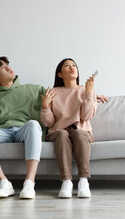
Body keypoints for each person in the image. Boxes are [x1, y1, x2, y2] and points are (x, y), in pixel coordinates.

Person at [0, 56, 46, 199]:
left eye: (7, 64)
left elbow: (61, 95)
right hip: (2, 131)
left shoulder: (33, 89)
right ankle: (4, 182)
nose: (7, 67)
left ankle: (29, 183)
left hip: (24, 130)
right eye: (2, 67)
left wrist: (87, 96)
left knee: (33, 123)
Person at [40, 58, 98, 198]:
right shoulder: (54, 92)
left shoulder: (86, 90)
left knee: (79, 133)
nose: (72, 67)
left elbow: (86, 116)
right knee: (61, 134)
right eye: (67, 66)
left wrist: (89, 93)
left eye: (74, 65)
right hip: (59, 131)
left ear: (77, 72)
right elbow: (49, 123)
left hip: (81, 131)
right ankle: (66, 182)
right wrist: (45, 106)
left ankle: (83, 181)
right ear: (60, 74)